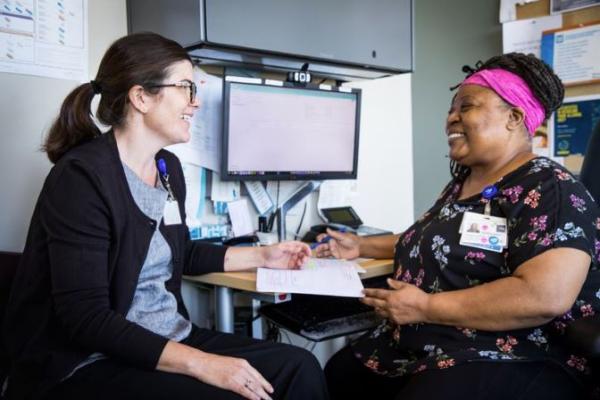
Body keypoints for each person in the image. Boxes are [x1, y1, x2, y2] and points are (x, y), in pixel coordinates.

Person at [2, 32, 328, 400]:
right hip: (87, 359)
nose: (196, 102)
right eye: (186, 88)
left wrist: (263, 256)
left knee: (299, 366)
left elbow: (179, 252)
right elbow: (85, 319)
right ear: (140, 97)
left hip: (167, 335)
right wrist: (202, 363)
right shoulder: (82, 177)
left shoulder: (167, 167)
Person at [317, 53, 600, 399]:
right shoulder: (463, 186)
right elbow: (433, 240)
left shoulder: (548, 187)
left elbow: (545, 296)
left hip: (508, 353)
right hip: (424, 345)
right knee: (335, 373)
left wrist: (424, 307)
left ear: (514, 117)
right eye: (451, 109)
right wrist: (358, 246)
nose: (451, 118)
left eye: (466, 107)